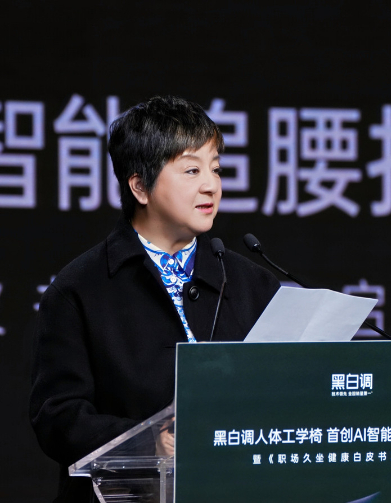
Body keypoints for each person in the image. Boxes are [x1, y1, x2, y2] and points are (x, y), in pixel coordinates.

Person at [29, 96, 280, 502]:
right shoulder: (80, 289)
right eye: (192, 170)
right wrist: (147, 441)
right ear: (140, 187)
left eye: (215, 168)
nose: (211, 185)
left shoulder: (252, 283)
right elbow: (57, 417)